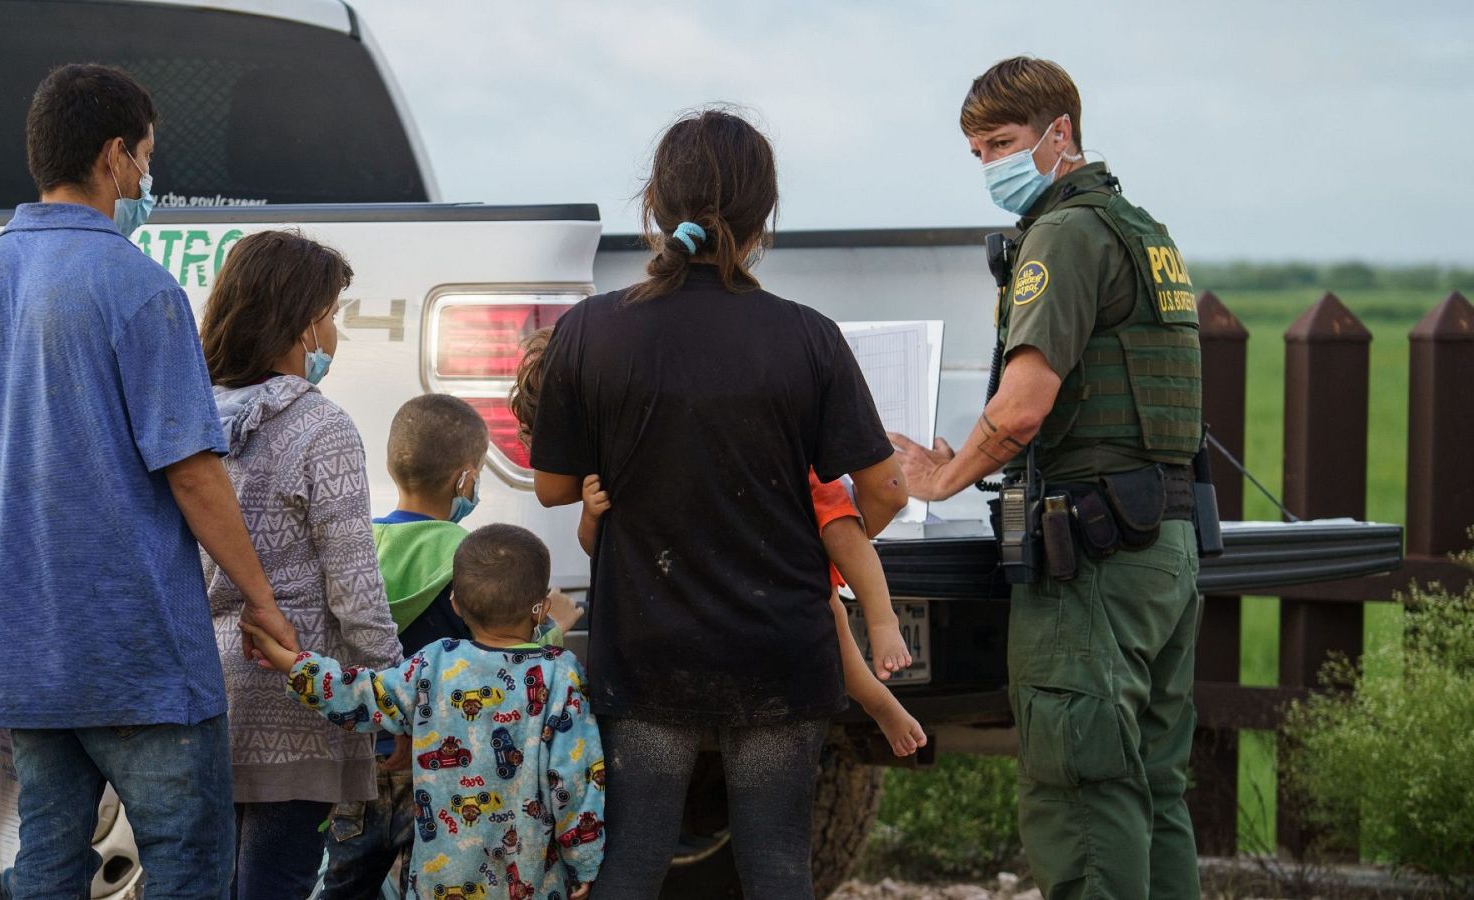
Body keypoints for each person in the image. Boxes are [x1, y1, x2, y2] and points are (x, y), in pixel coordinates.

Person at [0, 63, 295, 897]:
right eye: (148, 157)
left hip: (16, 655)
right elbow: (194, 475)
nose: (147, 179)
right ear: (116, 157)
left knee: (45, 863)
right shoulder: (138, 286)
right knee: (188, 865)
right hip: (136, 658)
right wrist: (261, 602)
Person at [527, 108, 908, 898]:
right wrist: (830, 541)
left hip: (647, 648)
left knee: (630, 858)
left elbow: (555, 486)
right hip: (778, 649)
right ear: (763, 218)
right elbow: (885, 489)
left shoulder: (590, 332)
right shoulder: (808, 336)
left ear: (654, 207)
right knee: (776, 864)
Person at [888, 57, 1204, 899]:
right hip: (1164, 549)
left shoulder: (1063, 235)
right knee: (1154, 788)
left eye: (1004, 142)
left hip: (1094, 562)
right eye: (978, 151)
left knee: (1083, 795)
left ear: (1060, 133)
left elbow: (1024, 407)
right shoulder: (1143, 231)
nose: (992, 164)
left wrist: (944, 476)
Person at [511, 327, 925, 757]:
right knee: (829, 615)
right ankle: (877, 696)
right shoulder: (617, 450)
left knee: (835, 569)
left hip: (778, 497)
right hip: (737, 575)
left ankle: (881, 640)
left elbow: (863, 519)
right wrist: (591, 515)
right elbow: (597, 549)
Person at [195, 230, 404, 899]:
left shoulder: (187, 421)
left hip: (200, 695)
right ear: (302, 324)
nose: (336, 332)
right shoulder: (322, 428)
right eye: (334, 315)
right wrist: (389, 701)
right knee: (276, 883)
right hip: (298, 700)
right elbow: (356, 590)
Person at [246, 524, 604, 900]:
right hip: (530, 883)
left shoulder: (433, 665)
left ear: (455, 603)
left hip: (439, 884)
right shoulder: (561, 676)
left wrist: (291, 663)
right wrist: (585, 859)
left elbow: (360, 694)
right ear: (542, 609)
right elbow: (576, 778)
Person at [317, 393, 582, 898]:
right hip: (437, 772)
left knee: (345, 883)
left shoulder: (361, 548)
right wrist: (553, 628)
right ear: (465, 478)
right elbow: (497, 654)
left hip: (358, 763)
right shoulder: (468, 561)